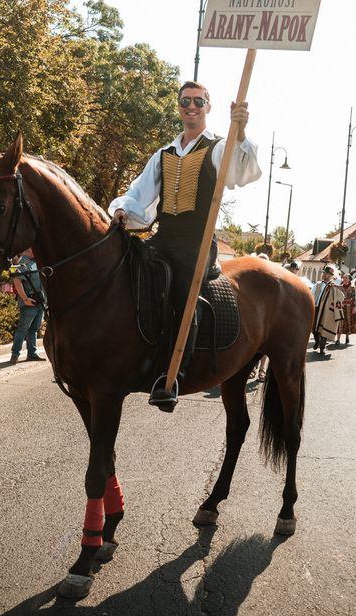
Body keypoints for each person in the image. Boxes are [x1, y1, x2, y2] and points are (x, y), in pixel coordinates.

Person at [110, 81, 258, 409]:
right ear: (178, 107)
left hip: (198, 244)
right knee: (130, 276)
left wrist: (241, 132)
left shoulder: (218, 147)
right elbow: (139, 193)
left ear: (208, 106)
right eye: (185, 102)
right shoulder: (164, 153)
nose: (191, 107)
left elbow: (240, 170)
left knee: (182, 289)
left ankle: (173, 373)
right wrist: (122, 209)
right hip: (163, 239)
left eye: (198, 101)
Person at [10, 247, 46, 363]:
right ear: (29, 249)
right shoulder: (23, 263)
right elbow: (17, 281)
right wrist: (25, 299)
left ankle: (32, 354)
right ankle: (15, 355)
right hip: (29, 303)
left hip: (39, 301)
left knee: (34, 329)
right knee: (23, 329)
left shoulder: (35, 262)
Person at [311, 265, 343, 356]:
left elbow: (341, 297)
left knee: (325, 327)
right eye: (323, 273)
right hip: (316, 308)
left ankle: (322, 347)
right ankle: (317, 340)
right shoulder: (317, 284)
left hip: (326, 311)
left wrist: (337, 288)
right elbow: (311, 296)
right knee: (314, 328)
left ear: (330, 275)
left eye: (326, 273)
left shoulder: (334, 286)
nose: (324, 275)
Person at [334, 275, 356, 346]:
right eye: (344, 278)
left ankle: (347, 337)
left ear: (349, 279)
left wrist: (354, 307)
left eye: (346, 278)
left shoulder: (352, 288)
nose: (345, 279)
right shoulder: (339, 287)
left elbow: (354, 298)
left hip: (349, 307)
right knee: (339, 322)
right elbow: (337, 297)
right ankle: (338, 339)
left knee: (348, 322)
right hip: (341, 307)